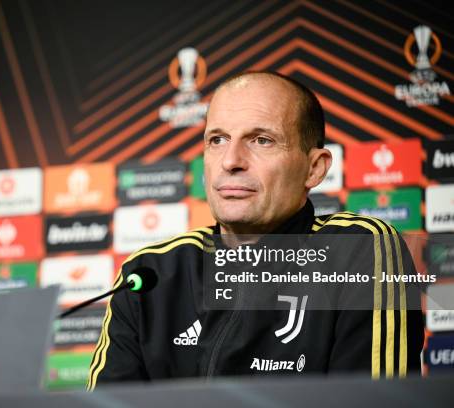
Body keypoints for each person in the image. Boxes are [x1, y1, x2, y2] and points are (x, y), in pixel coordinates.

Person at [86, 71, 424, 390]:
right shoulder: (150, 272)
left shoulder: (360, 251)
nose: (231, 160)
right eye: (217, 139)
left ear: (314, 168)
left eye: (261, 140)